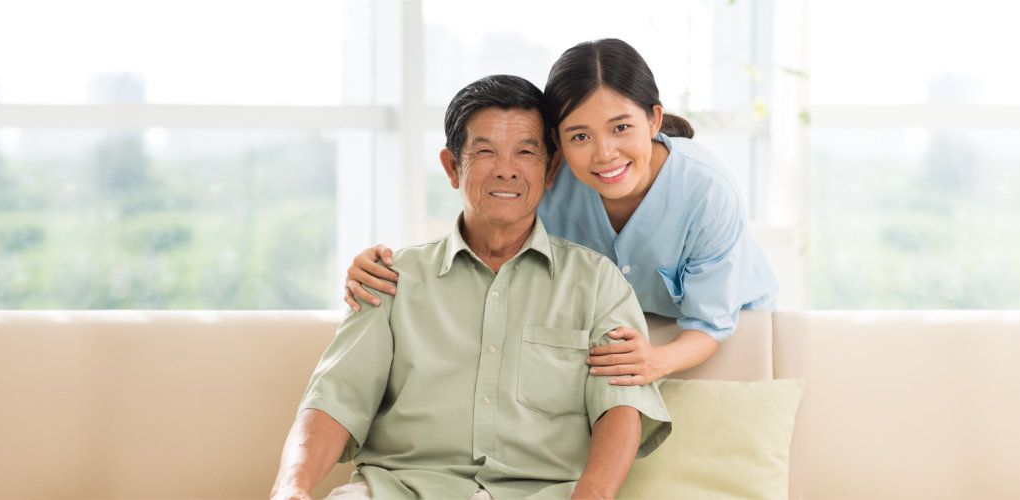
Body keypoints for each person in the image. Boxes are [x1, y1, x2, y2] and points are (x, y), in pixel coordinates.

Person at [270, 75, 671, 500]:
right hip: (400, 490)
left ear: (551, 168)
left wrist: (592, 495)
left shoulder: (596, 282)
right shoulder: (388, 279)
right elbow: (335, 400)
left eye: (526, 152)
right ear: (451, 167)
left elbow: (620, 407)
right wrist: (290, 488)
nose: (506, 169)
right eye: (485, 151)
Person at [343, 38, 778, 386]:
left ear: (653, 119)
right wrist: (383, 270)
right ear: (557, 142)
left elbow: (710, 322)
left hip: (720, 330)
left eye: (621, 127)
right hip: (611, 329)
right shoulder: (548, 179)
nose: (604, 154)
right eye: (579, 135)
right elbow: (484, 238)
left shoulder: (705, 190)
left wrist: (657, 360)